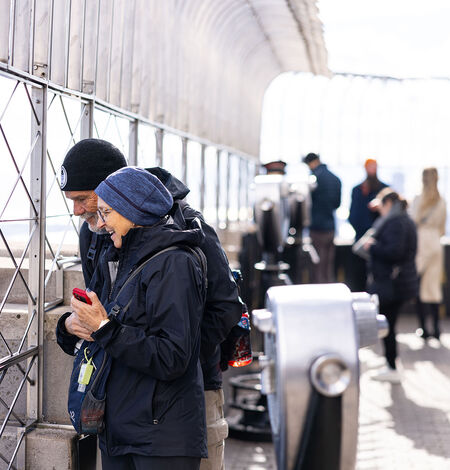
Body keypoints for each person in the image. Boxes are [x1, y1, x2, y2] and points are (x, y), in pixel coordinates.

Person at [56, 139, 241, 469]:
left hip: (183, 397)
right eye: (72, 201)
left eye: (83, 199)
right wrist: (71, 327)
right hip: (122, 396)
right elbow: (106, 305)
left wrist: (174, 370)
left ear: (115, 187)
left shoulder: (187, 228)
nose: (78, 211)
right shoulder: (94, 235)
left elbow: (226, 306)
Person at [69, 167, 206, 468]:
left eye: (106, 212)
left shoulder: (174, 263)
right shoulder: (123, 258)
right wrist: (79, 324)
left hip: (160, 438)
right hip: (122, 429)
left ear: (132, 210)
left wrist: (104, 328)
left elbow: (172, 356)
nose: (101, 224)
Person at [362, 188, 418, 383]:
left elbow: (395, 252)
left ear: (387, 204)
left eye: (381, 206)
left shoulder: (396, 222)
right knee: (389, 325)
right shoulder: (402, 219)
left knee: (388, 326)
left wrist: (373, 247)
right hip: (398, 283)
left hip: (392, 284)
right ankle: (390, 362)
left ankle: (392, 366)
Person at [411, 167, 446, 340]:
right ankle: (437, 329)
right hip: (436, 244)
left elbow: (412, 221)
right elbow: (442, 227)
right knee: (433, 288)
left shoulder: (418, 199)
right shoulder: (442, 201)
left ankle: (424, 328)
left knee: (419, 287)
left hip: (421, 243)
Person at [348, 159, 388, 291]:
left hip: (379, 241)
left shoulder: (384, 190)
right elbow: (353, 215)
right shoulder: (357, 190)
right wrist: (364, 234)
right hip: (361, 238)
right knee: (359, 277)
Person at [302, 152, 341, 283]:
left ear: (311, 162)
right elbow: (337, 204)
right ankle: (329, 292)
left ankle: (318, 295)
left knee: (316, 265)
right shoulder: (335, 179)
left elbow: (307, 203)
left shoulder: (314, 179)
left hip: (317, 228)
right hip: (331, 227)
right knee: (328, 265)